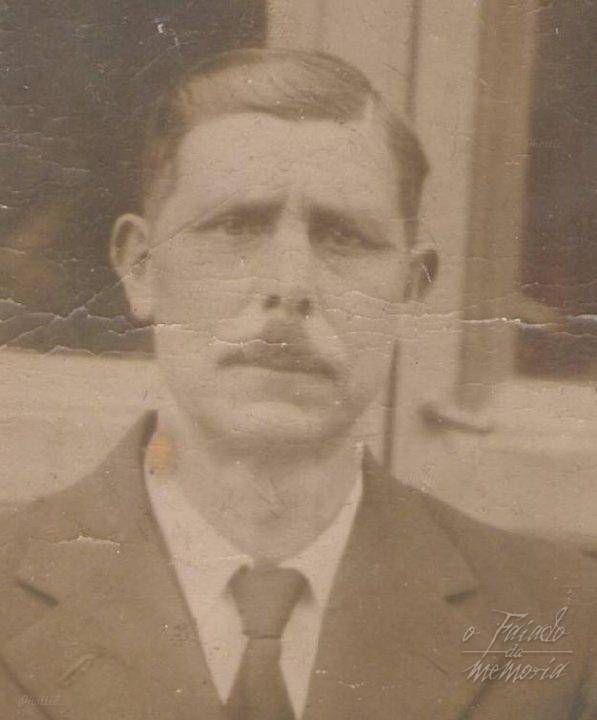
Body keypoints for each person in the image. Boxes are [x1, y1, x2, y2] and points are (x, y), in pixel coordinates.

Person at [0, 48, 595, 720]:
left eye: (344, 237)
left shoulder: (560, 620)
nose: (289, 286)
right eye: (235, 226)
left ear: (408, 289)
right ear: (140, 266)